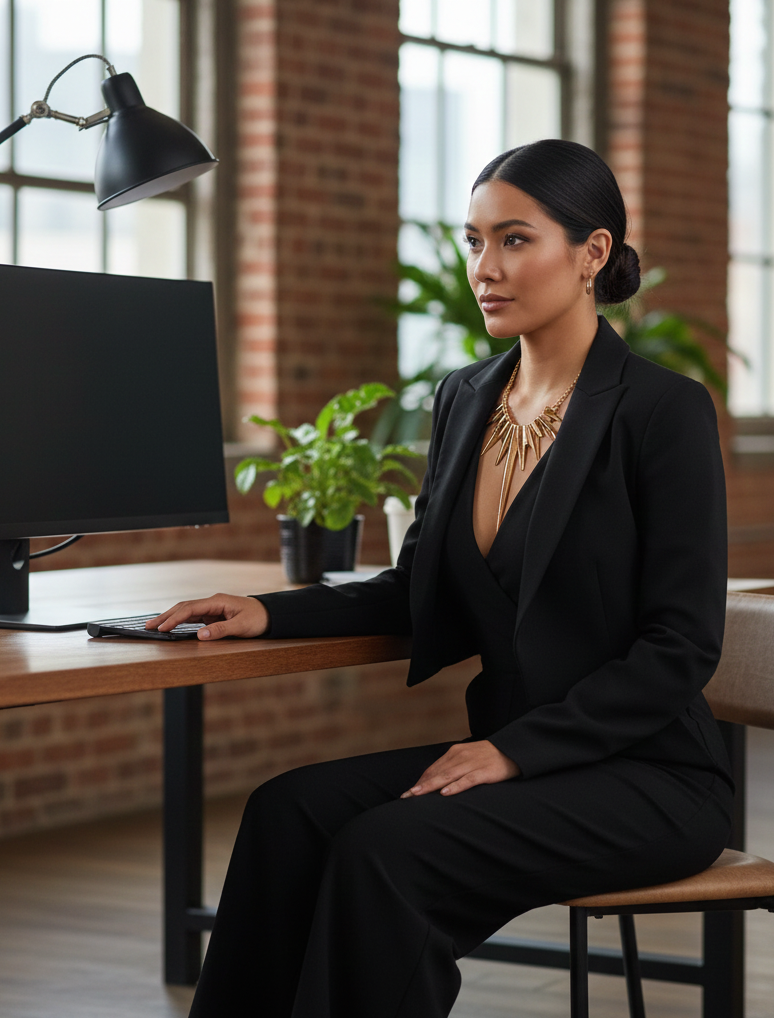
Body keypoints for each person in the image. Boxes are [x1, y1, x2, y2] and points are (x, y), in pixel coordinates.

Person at [148, 139, 734, 1018]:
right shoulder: (464, 399)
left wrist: (511, 751)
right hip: (515, 759)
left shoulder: (662, 411)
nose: (485, 269)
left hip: (647, 776)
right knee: (286, 813)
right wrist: (267, 612)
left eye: (514, 240)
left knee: (387, 850)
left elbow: (681, 647)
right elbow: (415, 588)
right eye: (473, 242)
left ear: (593, 253)